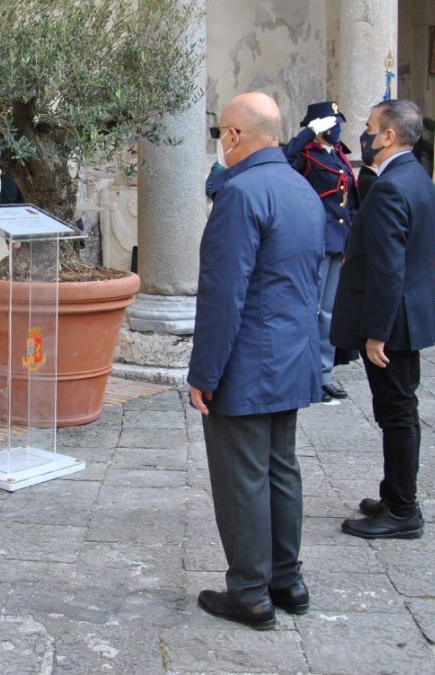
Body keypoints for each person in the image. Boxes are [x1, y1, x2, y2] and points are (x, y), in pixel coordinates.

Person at [187, 92, 324, 630]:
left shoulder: (241, 194)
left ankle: (249, 591)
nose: (219, 142)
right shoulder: (300, 186)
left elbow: (223, 295)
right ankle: (287, 579)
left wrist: (204, 373)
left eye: (220, 131)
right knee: (280, 469)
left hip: (247, 360)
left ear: (235, 136)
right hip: (293, 353)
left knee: (243, 475)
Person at [330, 98, 435, 539]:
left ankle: (401, 509)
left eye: (370, 126)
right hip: (408, 316)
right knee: (398, 411)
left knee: (396, 414)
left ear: (389, 135)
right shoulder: (416, 177)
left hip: (393, 323)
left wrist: (375, 332)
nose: (365, 133)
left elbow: (388, 267)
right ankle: (394, 493)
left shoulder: (393, 187)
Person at [283, 101, 359, 404]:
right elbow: (282, 163)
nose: (336, 128)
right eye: (330, 123)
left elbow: (349, 202)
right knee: (309, 310)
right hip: (313, 242)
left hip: (338, 243)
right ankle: (303, 373)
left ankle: (323, 374)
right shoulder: (305, 157)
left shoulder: (339, 157)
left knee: (328, 313)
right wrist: (304, 136)